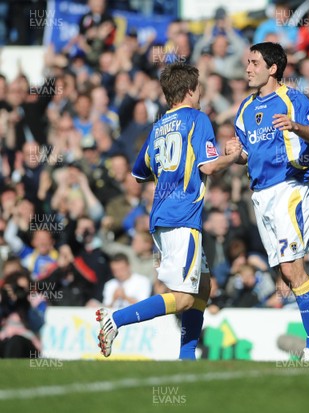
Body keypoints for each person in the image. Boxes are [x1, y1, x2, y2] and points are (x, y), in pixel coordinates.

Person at [96, 63, 242, 360]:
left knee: (202, 286)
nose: (201, 93)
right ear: (190, 90)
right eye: (199, 88)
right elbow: (209, 166)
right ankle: (116, 320)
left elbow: (140, 173)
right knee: (186, 298)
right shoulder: (197, 119)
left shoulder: (159, 126)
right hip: (182, 217)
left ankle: (186, 360)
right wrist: (233, 156)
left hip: (163, 215)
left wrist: (170, 175)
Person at [225, 42, 309, 362]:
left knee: (290, 267)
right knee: (288, 272)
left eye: (254, 62)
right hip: (261, 195)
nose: (248, 68)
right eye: (247, 62)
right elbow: (246, 156)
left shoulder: (293, 98)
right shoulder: (244, 108)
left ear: (272, 68)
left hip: (288, 189)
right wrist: (235, 154)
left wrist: (295, 125)